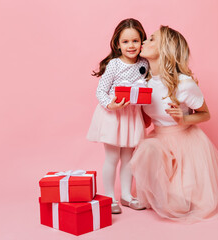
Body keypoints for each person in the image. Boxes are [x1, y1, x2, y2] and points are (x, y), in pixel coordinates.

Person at [130, 26, 218, 223]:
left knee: (178, 207)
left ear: (165, 48)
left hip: (185, 144)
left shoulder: (184, 83)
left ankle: (174, 192)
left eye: (151, 39)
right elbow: (148, 120)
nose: (143, 42)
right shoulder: (144, 83)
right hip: (159, 141)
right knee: (147, 148)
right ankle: (156, 194)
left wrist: (183, 119)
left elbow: (205, 114)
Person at [87, 18, 148, 214]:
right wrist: (110, 104)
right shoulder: (114, 65)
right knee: (112, 157)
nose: (131, 46)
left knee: (129, 158)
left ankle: (127, 196)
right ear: (117, 44)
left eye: (135, 41)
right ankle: (111, 197)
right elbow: (100, 92)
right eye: (126, 41)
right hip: (114, 116)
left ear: (142, 42)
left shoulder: (145, 63)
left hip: (131, 116)